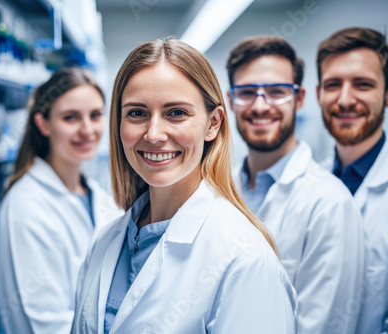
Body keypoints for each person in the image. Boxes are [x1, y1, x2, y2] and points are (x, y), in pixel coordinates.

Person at [71, 38, 297, 334]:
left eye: (176, 113)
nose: (153, 134)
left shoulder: (244, 261)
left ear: (213, 123)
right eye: (137, 113)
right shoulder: (105, 242)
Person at [226, 36, 365, 334]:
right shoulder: (216, 193)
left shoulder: (329, 203)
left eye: (277, 92)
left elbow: (323, 326)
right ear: (230, 101)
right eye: (247, 92)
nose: (260, 106)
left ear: (299, 98)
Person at [0, 68, 122, 334]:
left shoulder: (95, 194)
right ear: (43, 124)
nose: (87, 130)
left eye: (95, 115)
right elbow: (47, 322)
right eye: (70, 117)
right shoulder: (26, 205)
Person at [317, 27, 388, 334]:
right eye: (333, 85)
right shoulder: (308, 183)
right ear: (319, 93)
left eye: (362, 84)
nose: (345, 100)